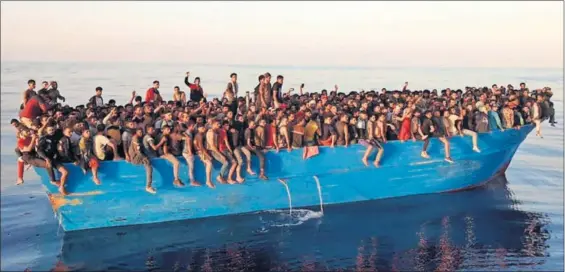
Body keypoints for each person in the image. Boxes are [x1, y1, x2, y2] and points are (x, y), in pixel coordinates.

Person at [37, 124, 70, 195]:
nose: (52, 131)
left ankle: (61, 187)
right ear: (46, 130)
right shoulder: (44, 138)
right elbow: (39, 150)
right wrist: (46, 158)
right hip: (45, 158)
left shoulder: (56, 136)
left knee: (65, 172)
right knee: (49, 164)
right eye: (50, 130)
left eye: (53, 130)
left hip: (54, 158)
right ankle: (53, 180)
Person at [128, 128, 156, 194]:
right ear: (136, 132)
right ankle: (148, 187)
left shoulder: (138, 138)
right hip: (136, 158)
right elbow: (138, 152)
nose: (141, 133)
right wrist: (145, 158)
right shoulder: (135, 139)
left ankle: (148, 186)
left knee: (149, 168)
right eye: (140, 132)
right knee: (149, 166)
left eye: (142, 132)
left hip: (138, 157)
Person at [206, 119, 233, 184]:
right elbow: (212, 146)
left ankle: (220, 176)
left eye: (219, 124)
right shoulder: (211, 132)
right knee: (226, 162)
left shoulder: (215, 131)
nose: (219, 125)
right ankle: (219, 177)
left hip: (215, 150)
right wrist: (221, 155)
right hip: (212, 151)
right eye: (217, 124)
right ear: (213, 125)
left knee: (227, 162)